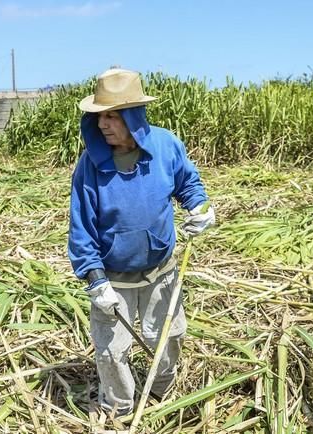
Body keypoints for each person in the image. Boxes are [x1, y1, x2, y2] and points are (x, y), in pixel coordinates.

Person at [68, 68, 215, 417]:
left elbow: (188, 183)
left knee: (169, 335)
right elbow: (81, 227)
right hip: (113, 278)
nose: (103, 124)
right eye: (99, 116)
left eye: (112, 116)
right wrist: (94, 279)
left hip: (160, 271)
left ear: (133, 116)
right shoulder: (90, 165)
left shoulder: (165, 146)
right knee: (111, 350)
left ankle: (160, 390)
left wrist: (200, 207)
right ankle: (118, 409)